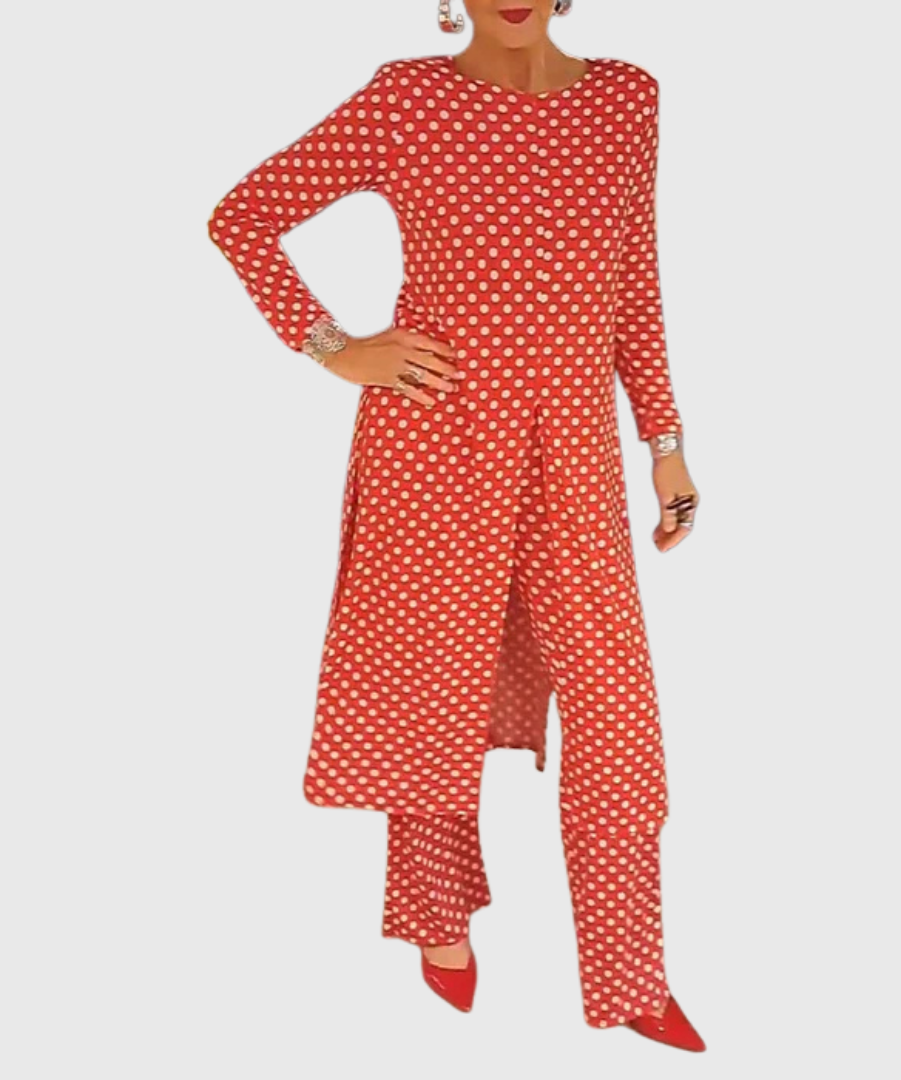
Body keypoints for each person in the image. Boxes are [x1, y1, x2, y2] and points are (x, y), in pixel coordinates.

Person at [206, 0, 704, 1051]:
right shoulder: (408, 99)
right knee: (434, 691)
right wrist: (337, 347)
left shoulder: (626, 101)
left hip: (572, 459)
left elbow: (636, 288)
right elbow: (242, 216)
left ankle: (632, 973)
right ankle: (436, 922)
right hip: (434, 445)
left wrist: (663, 441)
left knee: (617, 718)